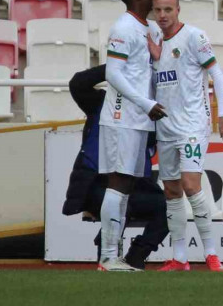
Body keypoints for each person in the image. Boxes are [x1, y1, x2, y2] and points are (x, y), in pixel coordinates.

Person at [148, 0, 223, 272]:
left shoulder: (194, 36)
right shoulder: (156, 42)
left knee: (190, 185)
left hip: (193, 126)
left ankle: (211, 254)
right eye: (158, 9)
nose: (162, 15)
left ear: (178, 9)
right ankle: (180, 258)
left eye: (168, 9)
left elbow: (217, 74)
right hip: (166, 128)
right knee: (171, 190)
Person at [63, 64, 169, 270]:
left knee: (170, 208)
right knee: (120, 203)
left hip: (136, 183)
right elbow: (77, 84)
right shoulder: (102, 102)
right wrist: (116, 64)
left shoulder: (154, 111)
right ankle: (106, 255)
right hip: (96, 182)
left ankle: (137, 255)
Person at [97, 0, 165, 272]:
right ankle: (108, 256)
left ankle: (114, 255)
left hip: (138, 119)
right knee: (119, 181)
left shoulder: (146, 28)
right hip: (122, 117)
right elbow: (113, 73)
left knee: (126, 185)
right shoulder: (123, 27)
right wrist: (146, 103)